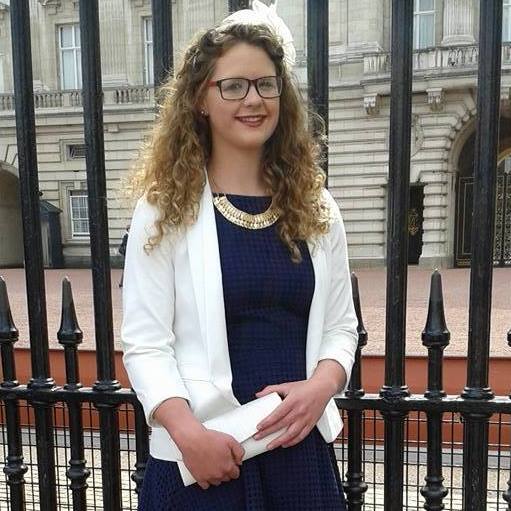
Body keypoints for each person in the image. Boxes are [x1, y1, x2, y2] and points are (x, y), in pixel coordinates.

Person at [121, 2, 358, 509]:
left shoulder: (318, 207)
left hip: (298, 455)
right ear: (201, 99)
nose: (253, 99)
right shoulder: (165, 206)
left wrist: (322, 386)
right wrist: (189, 437)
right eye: (233, 85)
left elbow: (342, 328)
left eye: (266, 84)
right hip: (204, 460)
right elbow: (145, 343)